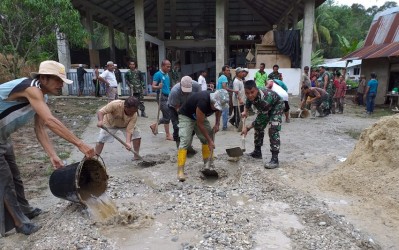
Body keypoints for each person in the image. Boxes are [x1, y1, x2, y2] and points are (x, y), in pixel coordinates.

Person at [0, 60, 95, 236]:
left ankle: (25, 209)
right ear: (43, 78)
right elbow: (51, 121)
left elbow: (40, 127)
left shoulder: (42, 96)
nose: (61, 85)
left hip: (3, 135)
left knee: (15, 176)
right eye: (58, 81)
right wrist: (80, 144)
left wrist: (52, 155)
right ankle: (20, 223)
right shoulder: (31, 89)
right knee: (4, 179)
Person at [177, 89, 228, 181]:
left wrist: (217, 123)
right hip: (186, 115)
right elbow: (200, 124)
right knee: (185, 141)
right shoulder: (203, 101)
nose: (216, 108)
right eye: (215, 106)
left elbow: (218, 111)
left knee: (207, 137)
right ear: (212, 101)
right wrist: (210, 141)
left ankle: (208, 164)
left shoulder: (219, 102)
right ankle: (180, 170)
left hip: (200, 115)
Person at [241, 80, 283, 169]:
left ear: (256, 89)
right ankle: (257, 152)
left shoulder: (265, 98)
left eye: (252, 92)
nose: (250, 95)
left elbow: (261, 119)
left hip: (276, 106)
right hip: (264, 109)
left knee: (273, 129)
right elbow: (248, 102)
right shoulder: (250, 95)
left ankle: (275, 159)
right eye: (247, 93)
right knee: (258, 128)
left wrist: (247, 128)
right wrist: (245, 111)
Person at [167, 76, 201, 153]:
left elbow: (199, 101)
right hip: (174, 107)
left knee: (191, 126)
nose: (186, 92)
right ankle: (180, 148)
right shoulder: (175, 91)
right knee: (177, 126)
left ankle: (188, 146)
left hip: (190, 106)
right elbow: (177, 108)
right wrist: (183, 120)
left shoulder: (197, 86)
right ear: (180, 85)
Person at [150, 59, 173, 141]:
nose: (169, 68)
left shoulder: (167, 75)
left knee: (168, 115)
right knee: (167, 116)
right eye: (167, 66)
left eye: (170, 66)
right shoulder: (158, 74)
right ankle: (167, 135)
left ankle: (154, 125)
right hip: (161, 97)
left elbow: (167, 86)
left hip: (168, 96)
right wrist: (158, 87)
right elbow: (153, 86)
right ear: (162, 66)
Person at [217, 65, 237, 130]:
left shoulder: (221, 77)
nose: (228, 72)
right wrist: (234, 91)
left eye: (229, 70)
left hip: (219, 95)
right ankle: (224, 126)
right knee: (225, 112)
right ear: (223, 71)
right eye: (227, 70)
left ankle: (218, 124)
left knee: (220, 111)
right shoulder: (224, 77)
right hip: (222, 96)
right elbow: (224, 87)